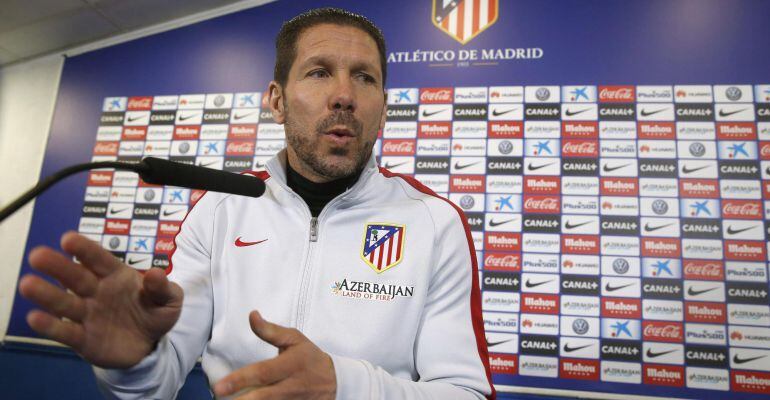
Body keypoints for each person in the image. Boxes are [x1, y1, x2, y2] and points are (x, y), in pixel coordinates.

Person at [19, 8, 495, 399]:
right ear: (277, 100)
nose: (345, 96)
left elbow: (466, 393)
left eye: (365, 79)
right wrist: (134, 363)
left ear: (384, 107)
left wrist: (344, 386)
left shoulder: (434, 222)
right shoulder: (220, 210)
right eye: (319, 72)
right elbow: (156, 385)